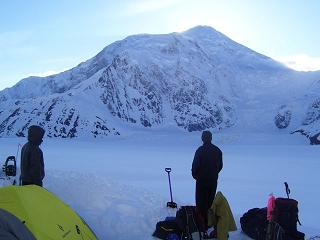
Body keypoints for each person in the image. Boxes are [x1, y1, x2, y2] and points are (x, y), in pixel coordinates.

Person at [192, 130, 223, 235]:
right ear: (211, 138)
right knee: (210, 201)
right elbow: (220, 166)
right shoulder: (217, 150)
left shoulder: (200, 150)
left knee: (201, 202)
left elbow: (195, 166)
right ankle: (209, 222)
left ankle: (202, 223)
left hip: (201, 180)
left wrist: (196, 176)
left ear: (202, 138)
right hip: (213, 180)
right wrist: (214, 174)